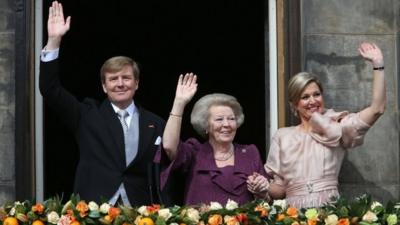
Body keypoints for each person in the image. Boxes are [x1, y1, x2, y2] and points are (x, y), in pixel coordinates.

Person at [39, 1, 165, 206]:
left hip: (140, 211)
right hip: (93, 207)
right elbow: (50, 89)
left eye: (126, 78)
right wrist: (54, 41)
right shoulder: (87, 115)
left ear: (137, 83)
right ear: (104, 87)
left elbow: (163, 172)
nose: (120, 84)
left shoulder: (155, 122)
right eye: (113, 79)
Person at [248, 42, 386, 208]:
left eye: (316, 94)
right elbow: (280, 190)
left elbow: (377, 109)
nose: (312, 101)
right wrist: (263, 187)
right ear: (294, 104)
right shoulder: (283, 136)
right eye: (305, 97)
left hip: (329, 210)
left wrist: (378, 65)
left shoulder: (336, 124)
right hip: (293, 213)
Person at [155, 73, 269, 205]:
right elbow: (168, 146)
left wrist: (262, 192)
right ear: (206, 126)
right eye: (219, 119)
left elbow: (265, 202)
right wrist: (179, 103)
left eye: (231, 119)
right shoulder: (194, 151)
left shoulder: (250, 153)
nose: (226, 124)